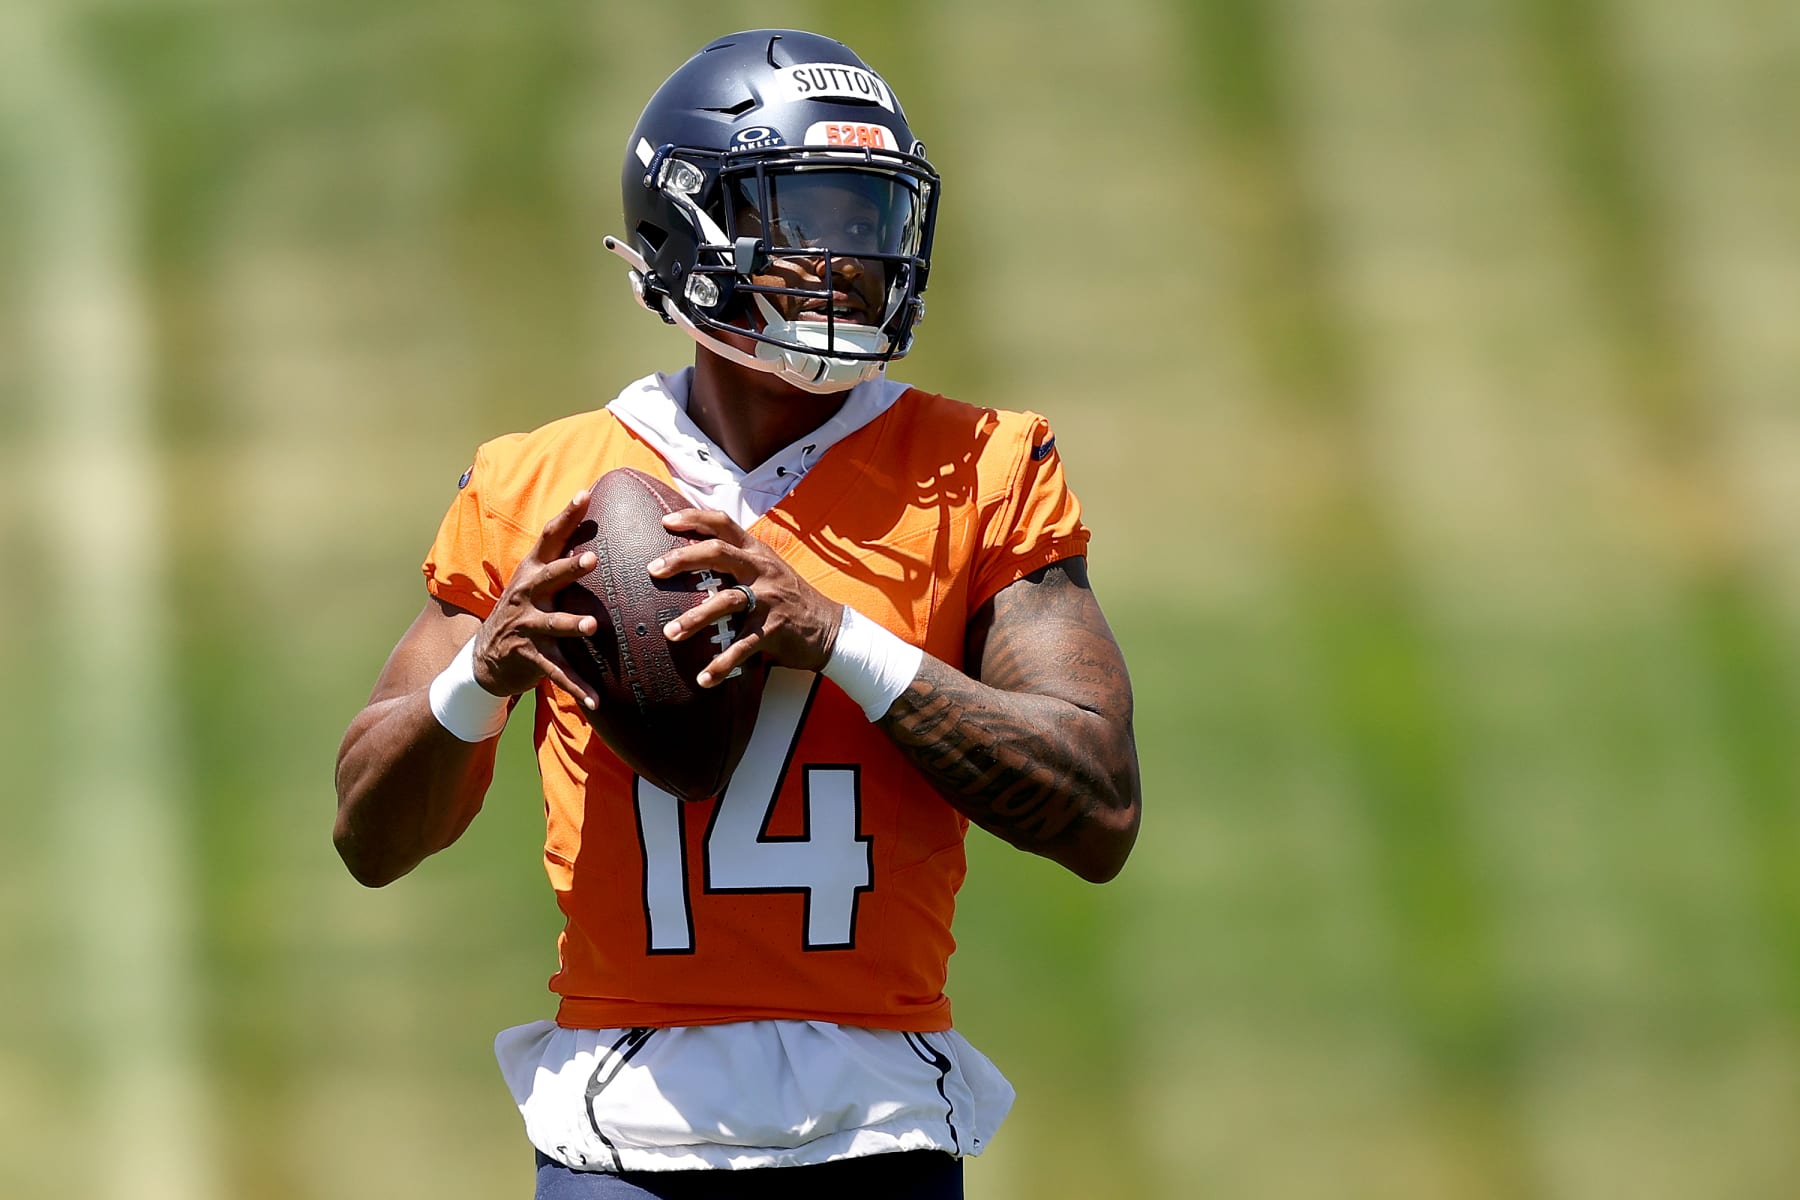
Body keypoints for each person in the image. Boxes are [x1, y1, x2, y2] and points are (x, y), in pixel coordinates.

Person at [333, 28, 1141, 1200]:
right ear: (690, 227)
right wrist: (486, 672)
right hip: (626, 1124)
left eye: (872, 218)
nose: (853, 259)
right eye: (811, 212)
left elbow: (1099, 808)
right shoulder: (533, 487)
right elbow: (369, 836)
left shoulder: (982, 467)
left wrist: (841, 642)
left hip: (879, 1119)